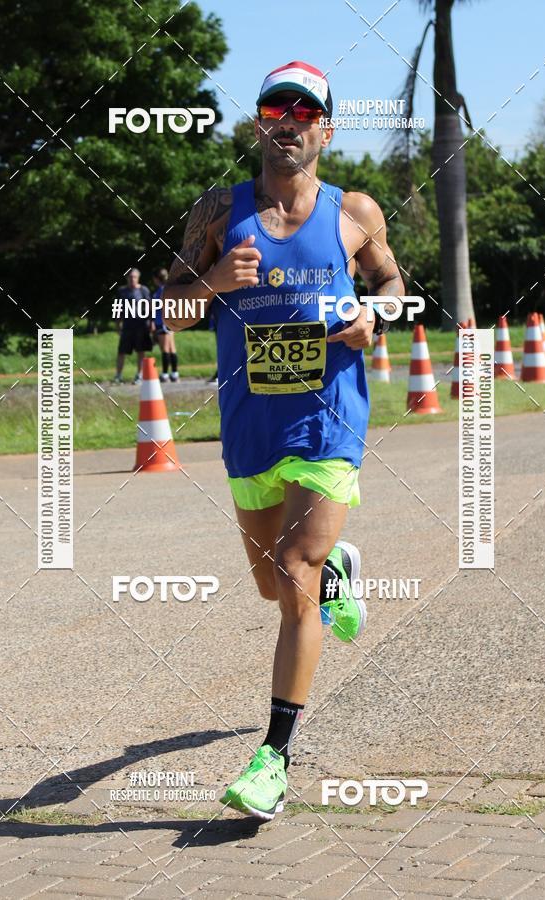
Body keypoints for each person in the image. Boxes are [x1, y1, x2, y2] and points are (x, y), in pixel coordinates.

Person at [162, 60, 404, 821]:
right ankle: (339, 573)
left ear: (325, 129)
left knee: (292, 573)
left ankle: (273, 758)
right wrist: (211, 287)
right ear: (259, 123)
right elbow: (163, 312)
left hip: (328, 418)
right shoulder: (217, 210)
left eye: (307, 111)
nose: (290, 120)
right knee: (275, 586)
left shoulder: (354, 211)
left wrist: (377, 317)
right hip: (250, 427)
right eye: (277, 108)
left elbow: (394, 284)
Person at [113, 268, 152, 385]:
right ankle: (118, 376)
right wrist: (117, 324)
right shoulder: (122, 291)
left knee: (141, 351)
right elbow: (118, 308)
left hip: (141, 325)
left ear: (138, 278)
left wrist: (152, 322)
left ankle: (139, 375)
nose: (132, 279)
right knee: (121, 351)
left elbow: (150, 308)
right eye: (130, 277)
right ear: (127, 278)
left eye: (134, 277)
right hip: (127, 325)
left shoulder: (143, 290)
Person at [152, 267, 179, 383]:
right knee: (172, 348)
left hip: (162, 322)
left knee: (165, 349)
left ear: (156, 279)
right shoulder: (170, 290)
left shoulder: (159, 292)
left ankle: (165, 374)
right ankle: (174, 373)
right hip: (169, 322)